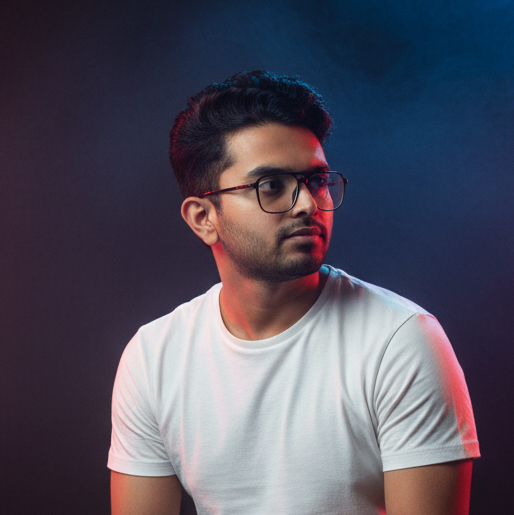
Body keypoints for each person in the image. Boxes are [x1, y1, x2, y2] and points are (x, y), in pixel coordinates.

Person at [108, 70, 480, 515]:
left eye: (317, 181)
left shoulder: (400, 341)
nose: (307, 204)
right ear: (203, 218)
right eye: (271, 186)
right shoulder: (154, 358)